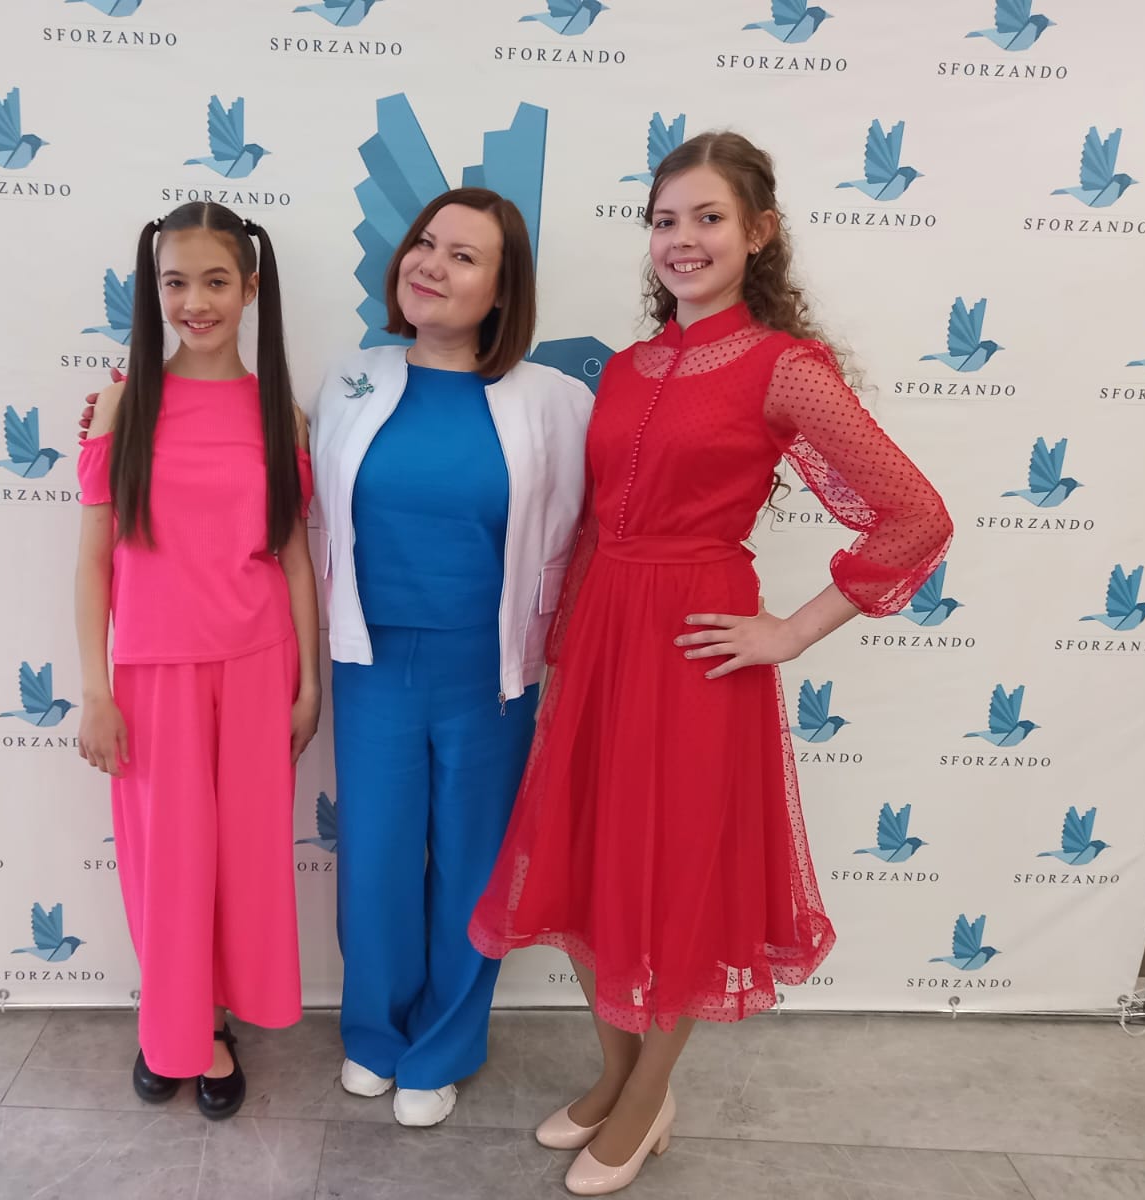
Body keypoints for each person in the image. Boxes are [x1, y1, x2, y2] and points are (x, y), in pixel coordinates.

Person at [468, 133, 953, 1194]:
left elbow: (914, 517)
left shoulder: (786, 368)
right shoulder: (628, 368)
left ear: (758, 233)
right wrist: (562, 648)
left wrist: (791, 631)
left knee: (678, 874)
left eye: (707, 218)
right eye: (664, 220)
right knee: (586, 862)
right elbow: (595, 521)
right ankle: (615, 1076)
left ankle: (646, 1100)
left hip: (698, 649)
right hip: (603, 642)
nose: (681, 239)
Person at [310, 187, 592, 1126]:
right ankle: (374, 1033)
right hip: (371, 661)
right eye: (426, 244)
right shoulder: (347, 382)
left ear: (503, 291)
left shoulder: (556, 402)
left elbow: (590, 533)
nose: (431, 264)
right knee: (376, 858)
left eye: (464, 256)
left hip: (490, 671)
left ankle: (442, 1046)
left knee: (473, 861)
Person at [73, 201, 318, 1122]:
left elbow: (294, 557)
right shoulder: (120, 405)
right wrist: (95, 690)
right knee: (167, 865)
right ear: (155, 289)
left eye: (216, 281)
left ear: (250, 290)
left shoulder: (280, 414)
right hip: (152, 674)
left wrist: (309, 683)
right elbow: (93, 561)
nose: (195, 302)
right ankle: (173, 1027)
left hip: (257, 665)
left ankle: (213, 1021)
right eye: (176, 282)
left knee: (242, 862)